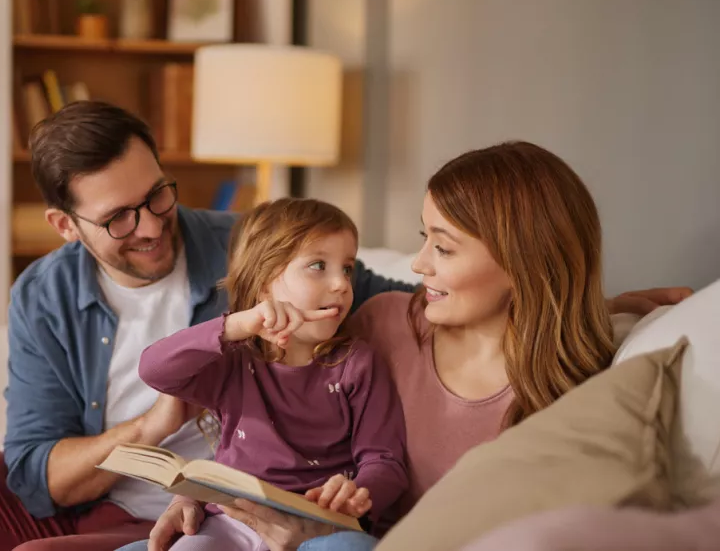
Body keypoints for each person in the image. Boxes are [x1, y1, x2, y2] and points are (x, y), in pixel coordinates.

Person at [0, 101, 414, 551]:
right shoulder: (45, 293)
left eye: (157, 196)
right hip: (96, 501)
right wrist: (150, 426)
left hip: (213, 513)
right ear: (64, 225)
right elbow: (34, 473)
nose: (149, 226)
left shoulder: (252, 247)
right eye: (119, 217)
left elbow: (398, 297)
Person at [131, 140, 695, 551]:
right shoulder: (383, 322)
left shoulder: (570, 396)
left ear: (523, 263)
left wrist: (318, 532)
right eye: (423, 238)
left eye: (443, 248)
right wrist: (202, 494)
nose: (420, 263)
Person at [132, 198, 408, 550]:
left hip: (319, 526)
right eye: (318, 265)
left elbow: (385, 460)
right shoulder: (233, 359)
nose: (341, 283)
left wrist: (359, 492)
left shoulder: (358, 363)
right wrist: (236, 325)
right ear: (264, 284)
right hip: (233, 522)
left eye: (348, 268)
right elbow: (154, 369)